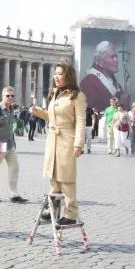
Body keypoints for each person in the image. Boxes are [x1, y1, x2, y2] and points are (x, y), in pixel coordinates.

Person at [30, 61, 86, 226]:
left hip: (67, 139)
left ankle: (71, 213)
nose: (56, 76)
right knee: (54, 177)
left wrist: (78, 144)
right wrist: (38, 112)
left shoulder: (77, 96)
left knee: (67, 177)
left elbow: (81, 121)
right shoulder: (55, 94)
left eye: (60, 73)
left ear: (68, 76)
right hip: (52, 139)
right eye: (55, 73)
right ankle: (52, 210)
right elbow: (52, 116)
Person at [0, 86, 28, 203]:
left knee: (14, 167)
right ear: (2, 96)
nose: (10, 97)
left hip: (10, 144)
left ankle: (14, 194)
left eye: (12, 96)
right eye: (8, 95)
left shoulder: (11, 109)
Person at [79, 41, 130, 111]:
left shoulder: (116, 84)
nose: (117, 60)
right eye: (112, 57)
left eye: (116, 56)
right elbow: (94, 111)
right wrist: (122, 103)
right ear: (100, 61)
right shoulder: (88, 82)